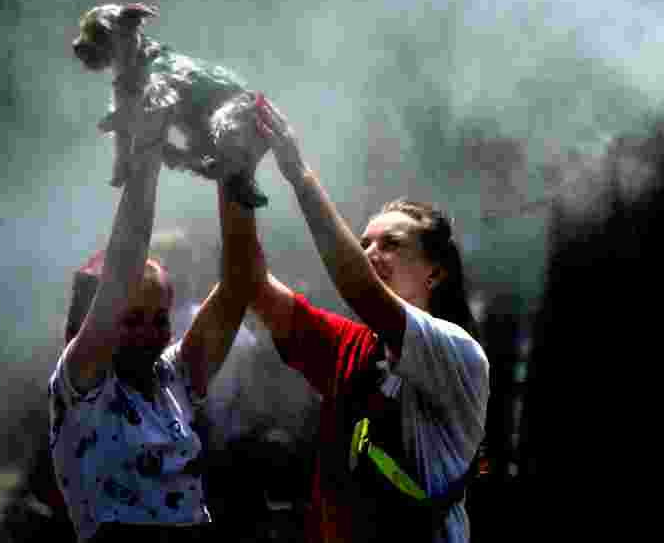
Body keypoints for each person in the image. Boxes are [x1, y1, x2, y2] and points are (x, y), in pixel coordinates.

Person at [246, 94, 490, 543]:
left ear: (435, 271)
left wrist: (299, 176)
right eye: (365, 243)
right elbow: (250, 281)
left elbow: (358, 288)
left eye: (391, 243)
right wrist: (235, 177)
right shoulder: (352, 346)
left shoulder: (458, 352)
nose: (370, 253)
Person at [48, 111, 264, 543]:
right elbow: (126, 260)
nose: (148, 332)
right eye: (130, 319)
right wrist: (147, 152)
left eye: (158, 319)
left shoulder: (174, 377)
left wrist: (236, 170)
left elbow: (240, 282)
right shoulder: (84, 384)